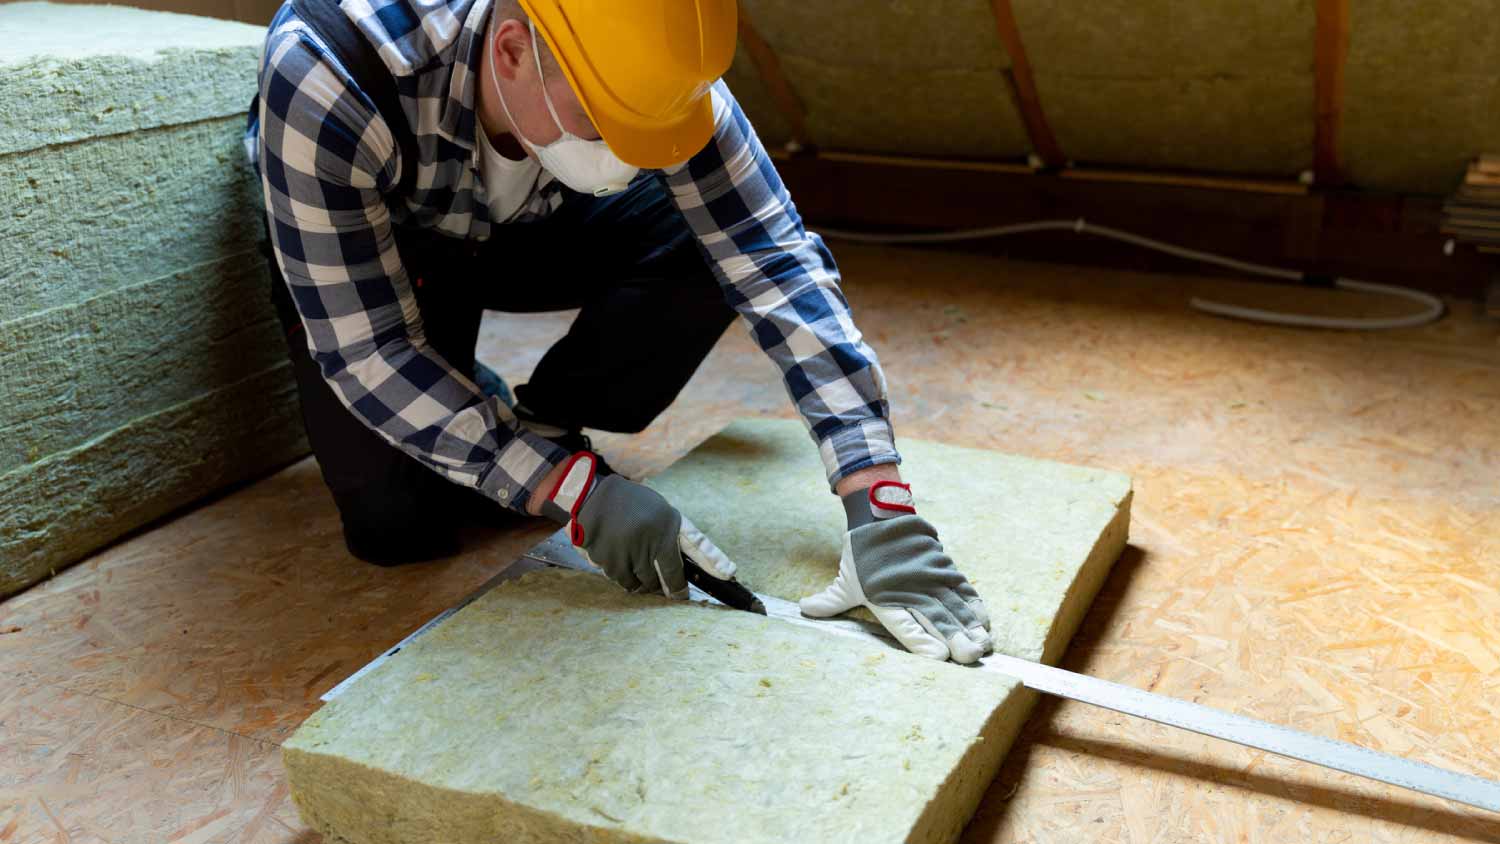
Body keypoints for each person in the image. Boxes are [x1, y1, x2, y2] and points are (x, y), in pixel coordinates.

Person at [248, 0, 993, 663]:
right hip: (388, 256)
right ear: (511, 50)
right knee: (396, 524)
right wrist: (571, 488)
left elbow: (773, 257)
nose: (634, 153)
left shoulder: (647, 58)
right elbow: (369, 351)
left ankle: (542, 420)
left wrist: (877, 497)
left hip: (534, 220)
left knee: (710, 237)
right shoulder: (326, 67)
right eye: (608, 125)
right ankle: (511, 429)